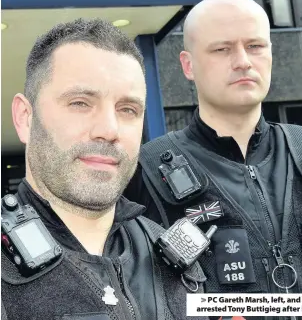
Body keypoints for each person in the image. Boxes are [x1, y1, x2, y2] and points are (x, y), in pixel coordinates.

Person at [125, 0, 302, 301]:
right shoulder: (145, 172)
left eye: (255, 46)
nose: (242, 61)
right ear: (188, 65)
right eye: (222, 49)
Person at [1, 18, 207, 320]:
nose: (109, 130)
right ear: (25, 118)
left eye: (128, 110)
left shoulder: (178, 262)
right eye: (80, 103)